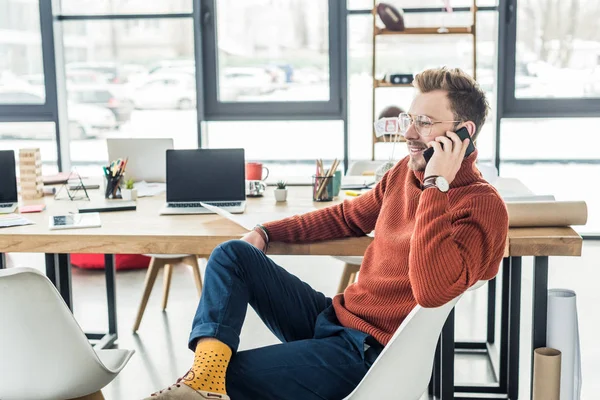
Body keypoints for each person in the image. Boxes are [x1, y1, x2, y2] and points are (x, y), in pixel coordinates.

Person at [144, 67, 509, 400]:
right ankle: (204, 380)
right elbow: (349, 216)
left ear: (464, 133)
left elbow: (431, 292)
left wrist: (436, 185)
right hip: (336, 319)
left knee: (233, 375)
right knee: (232, 254)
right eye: (409, 120)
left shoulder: (481, 205)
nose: (410, 133)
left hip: (368, 355)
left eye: (425, 123)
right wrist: (266, 232)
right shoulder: (402, 173)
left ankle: (208, 385)